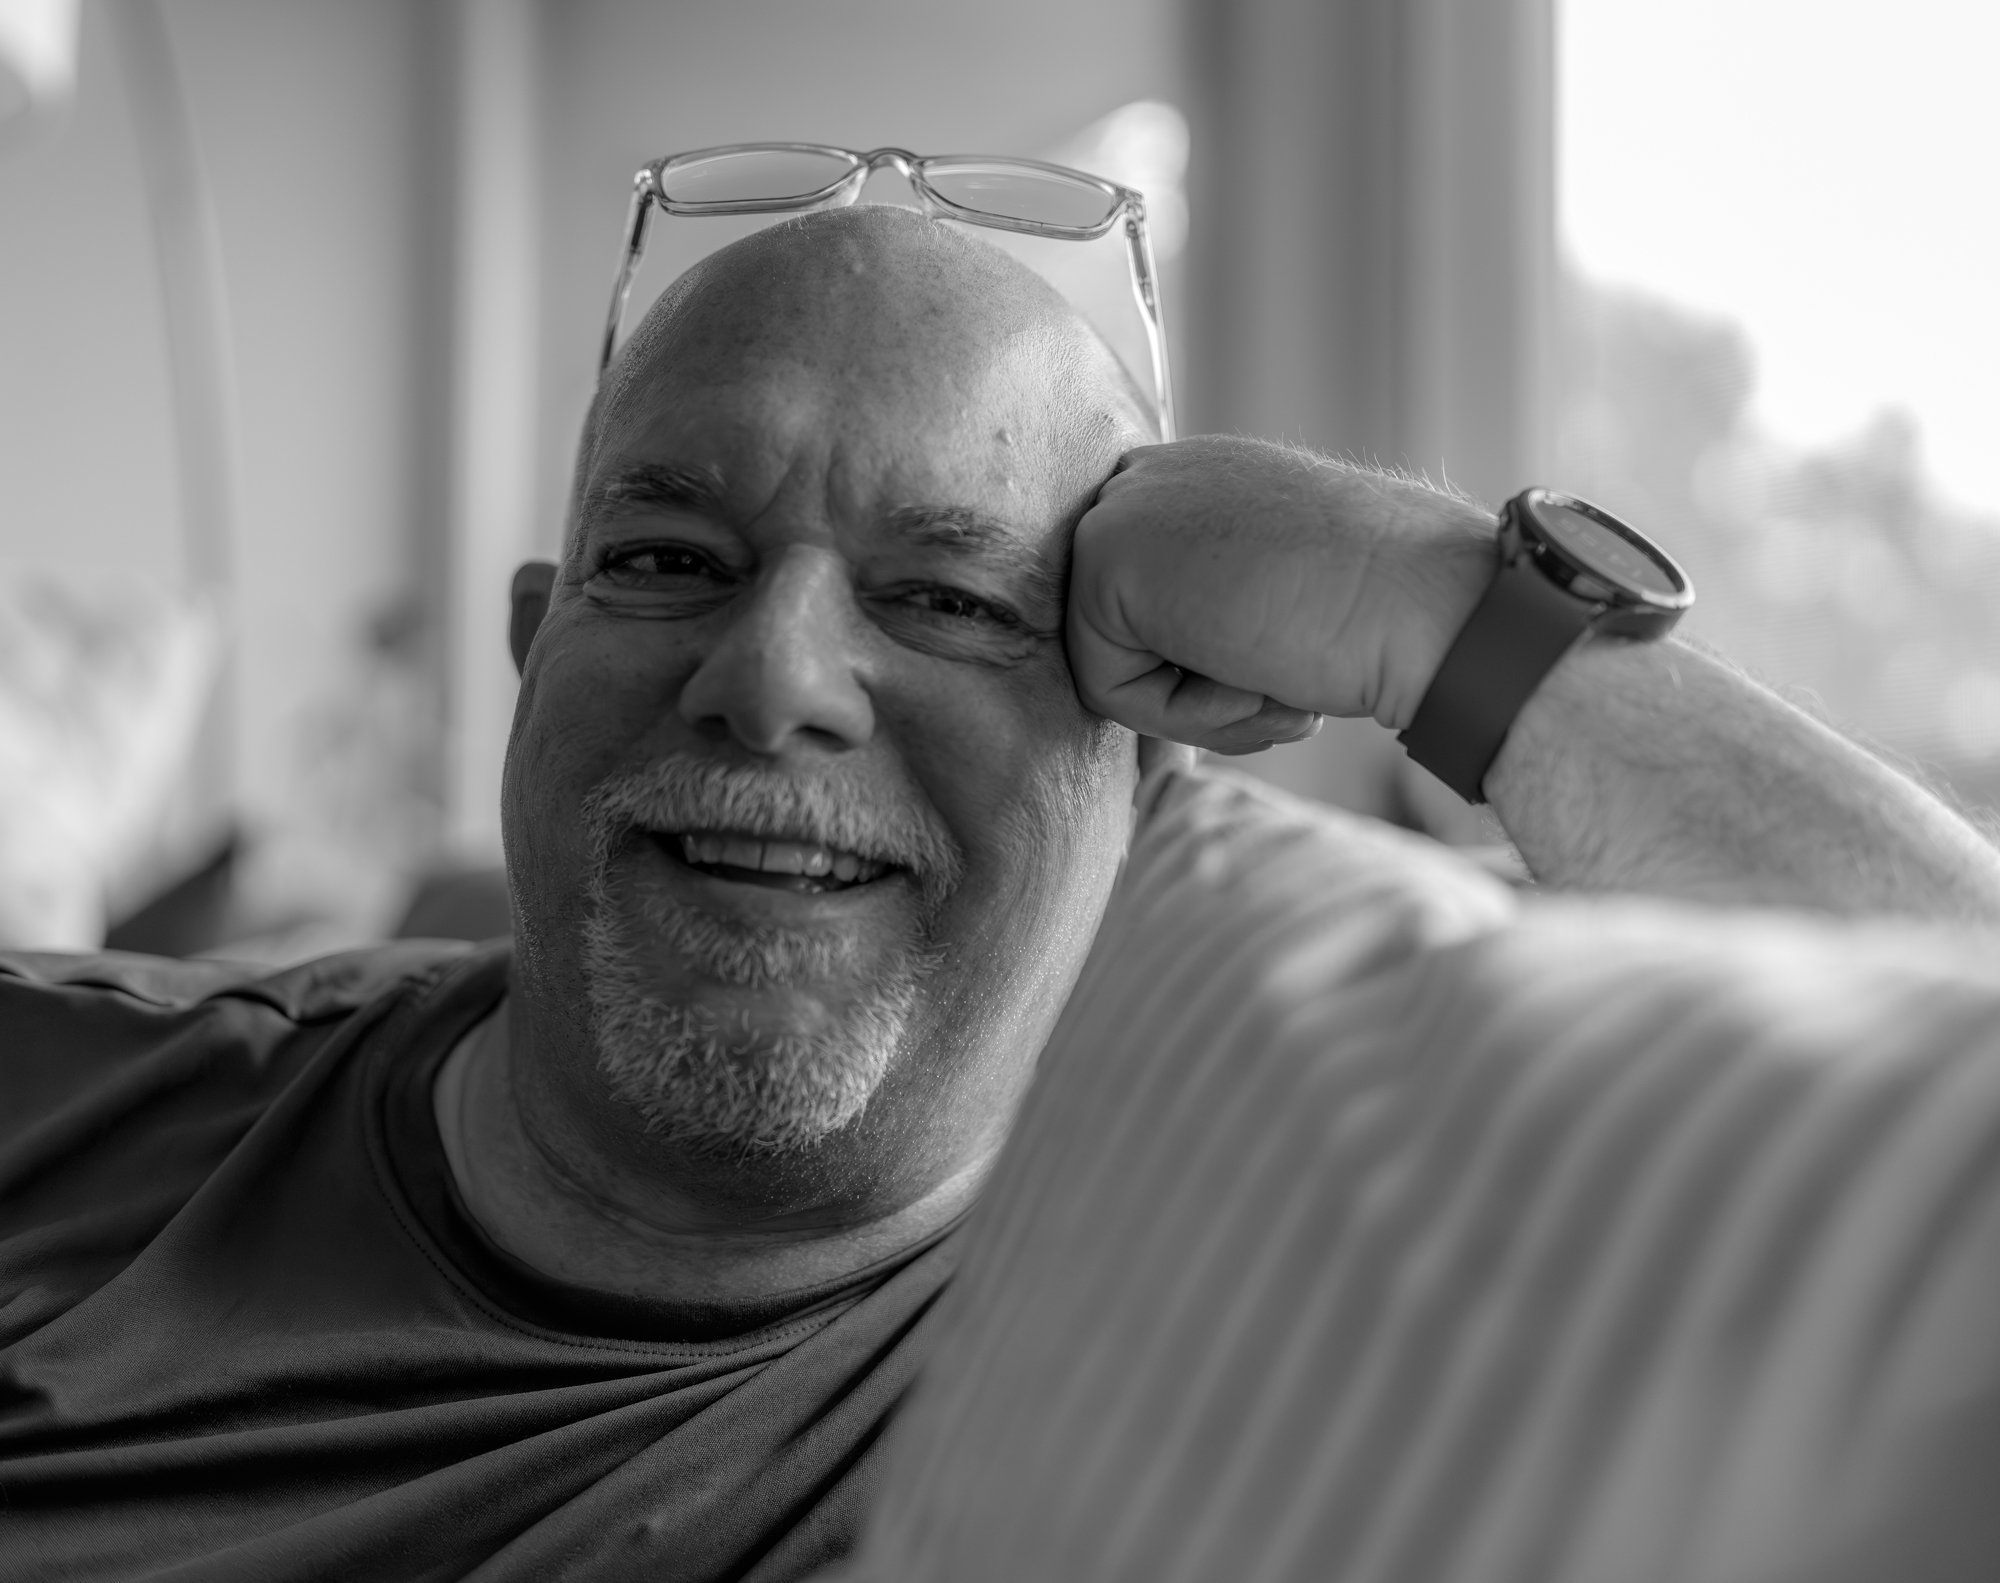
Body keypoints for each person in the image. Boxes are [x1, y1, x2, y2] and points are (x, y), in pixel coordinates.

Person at [4, 202, 1998, 1582]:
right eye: (669, 561)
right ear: (537, 649)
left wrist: (1432, 605)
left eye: (951, 600)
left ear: (1138, 762)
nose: (773, 677)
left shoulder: (1282, 1315)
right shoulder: (74, 1096)